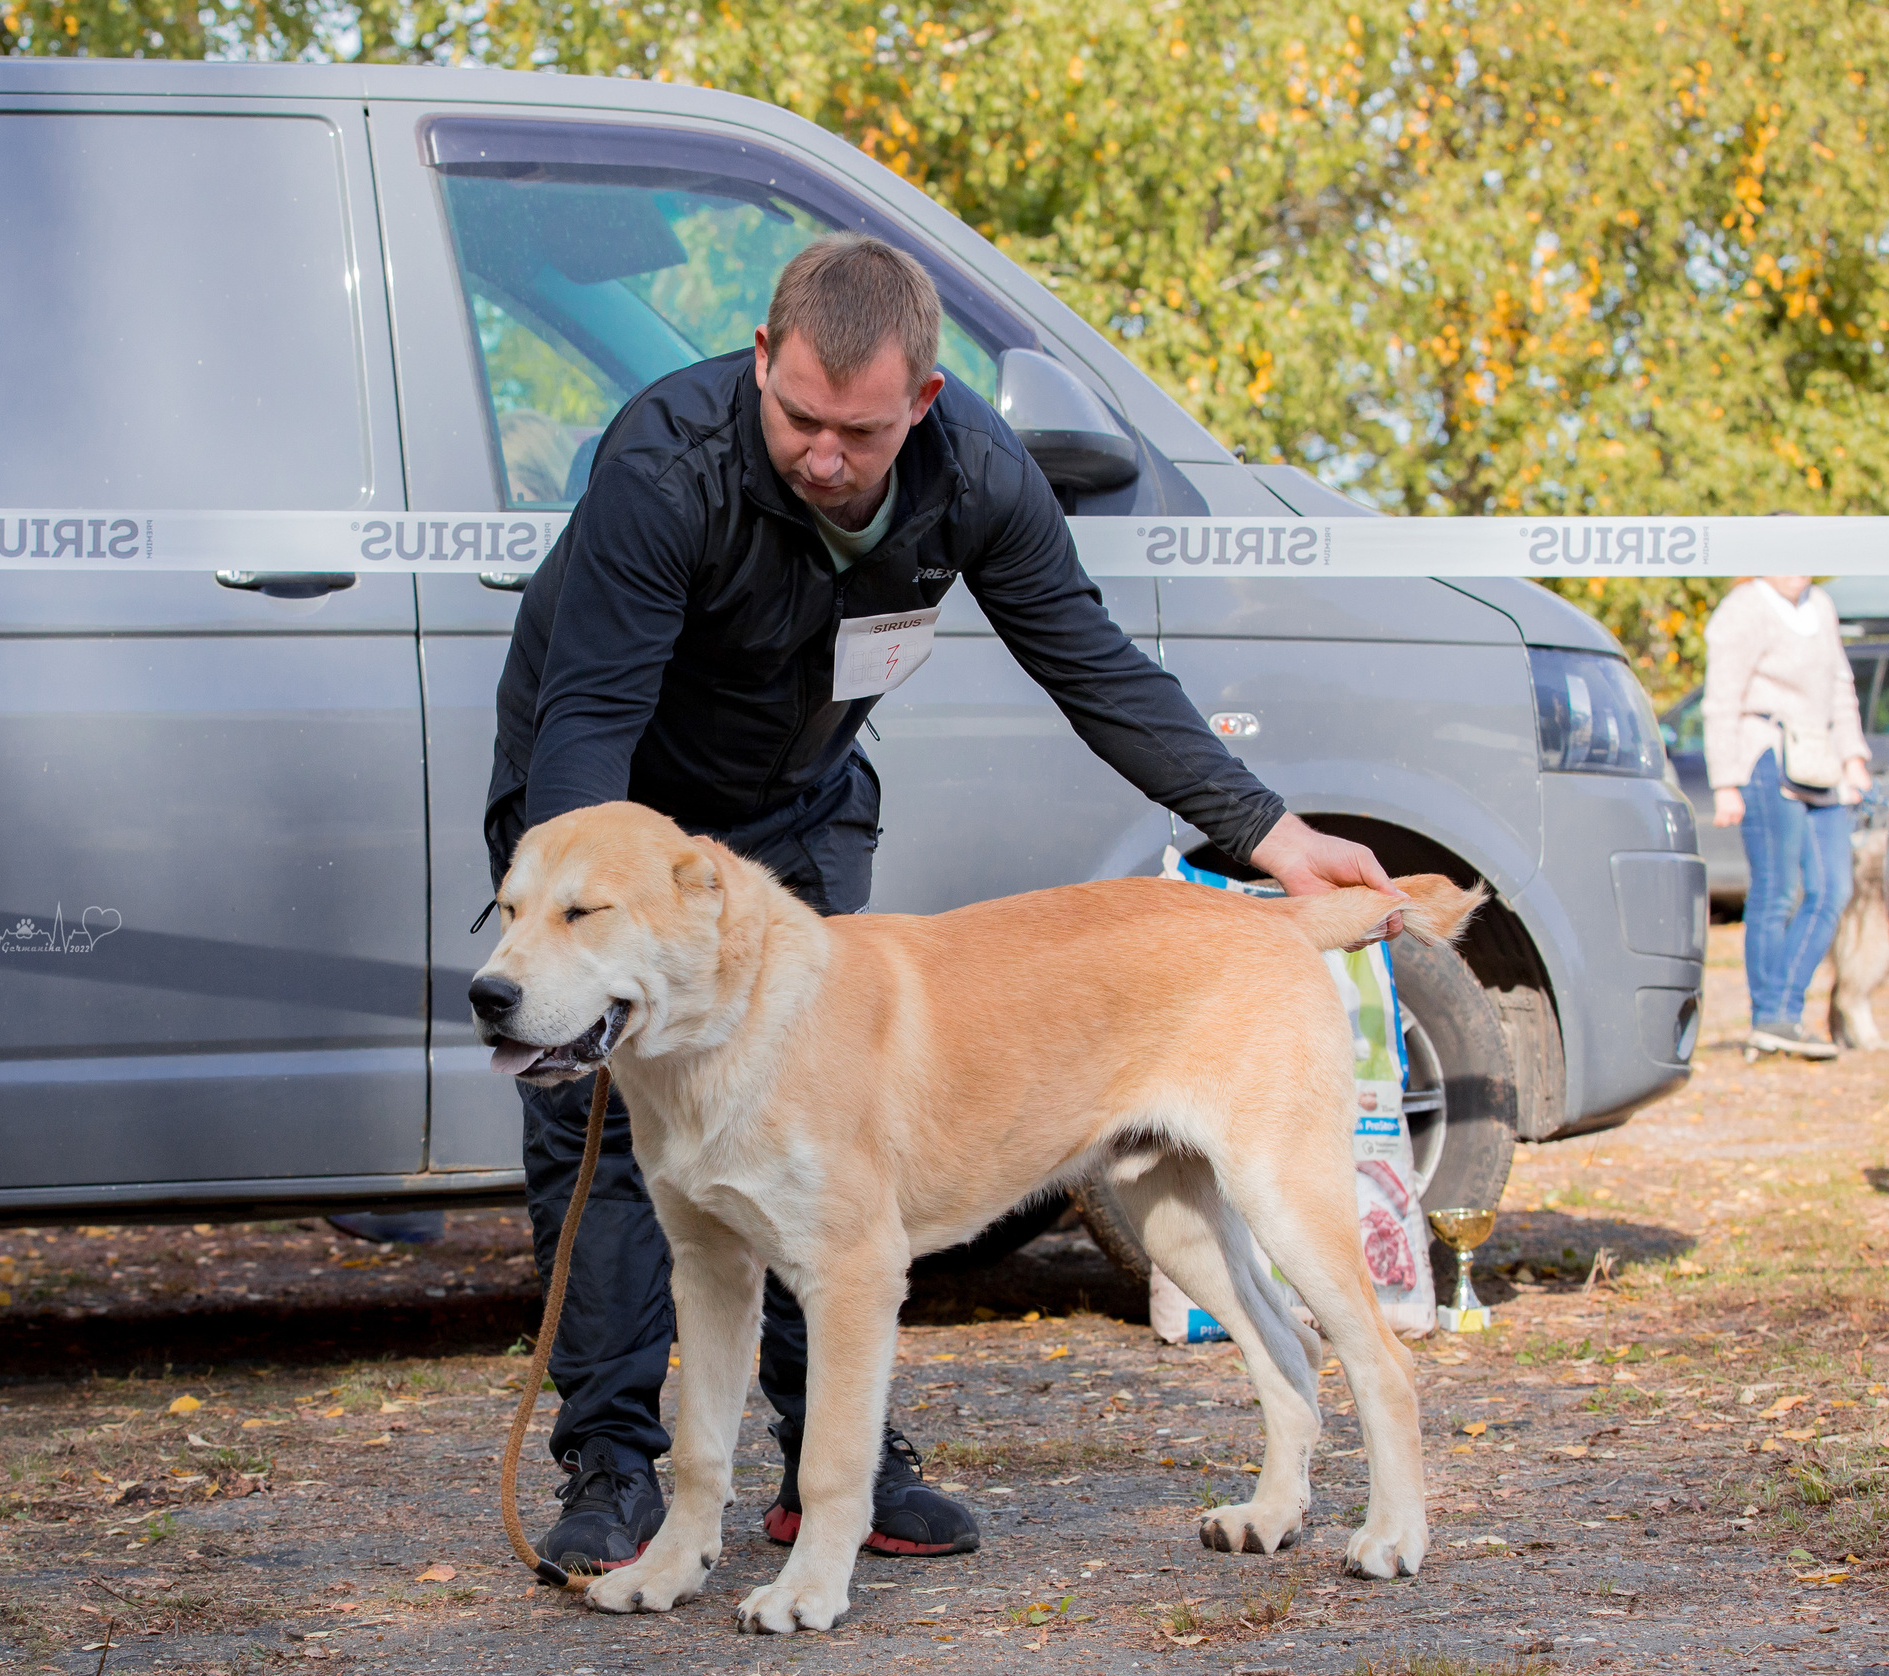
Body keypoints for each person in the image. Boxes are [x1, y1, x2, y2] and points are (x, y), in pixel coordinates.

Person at [485, 233, 1405, 1577]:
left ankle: (829, 1470)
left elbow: (1090, 660)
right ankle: (616, 1466)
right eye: (796, 416)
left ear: (919, 404)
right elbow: (588, 726)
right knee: (616, 1134)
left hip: (791, 814)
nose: (821, 453)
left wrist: (1263, 830)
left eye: (857, 429)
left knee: (829, 1146)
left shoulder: (975, 470)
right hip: (609, 811)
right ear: (760, 362)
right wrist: (569, 920)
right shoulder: (658, 467)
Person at [1703, 574, 1870, 1059]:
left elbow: (1841, 687)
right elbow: (1722, 697)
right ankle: (1770, 1017)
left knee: (1832, 888)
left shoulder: (1822, 605)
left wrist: (1854, 757)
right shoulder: (1744, 607)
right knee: (1776, 891)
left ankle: (1786, 1011)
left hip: (1821, 758)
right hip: (1765, 753)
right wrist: (1725, 782)